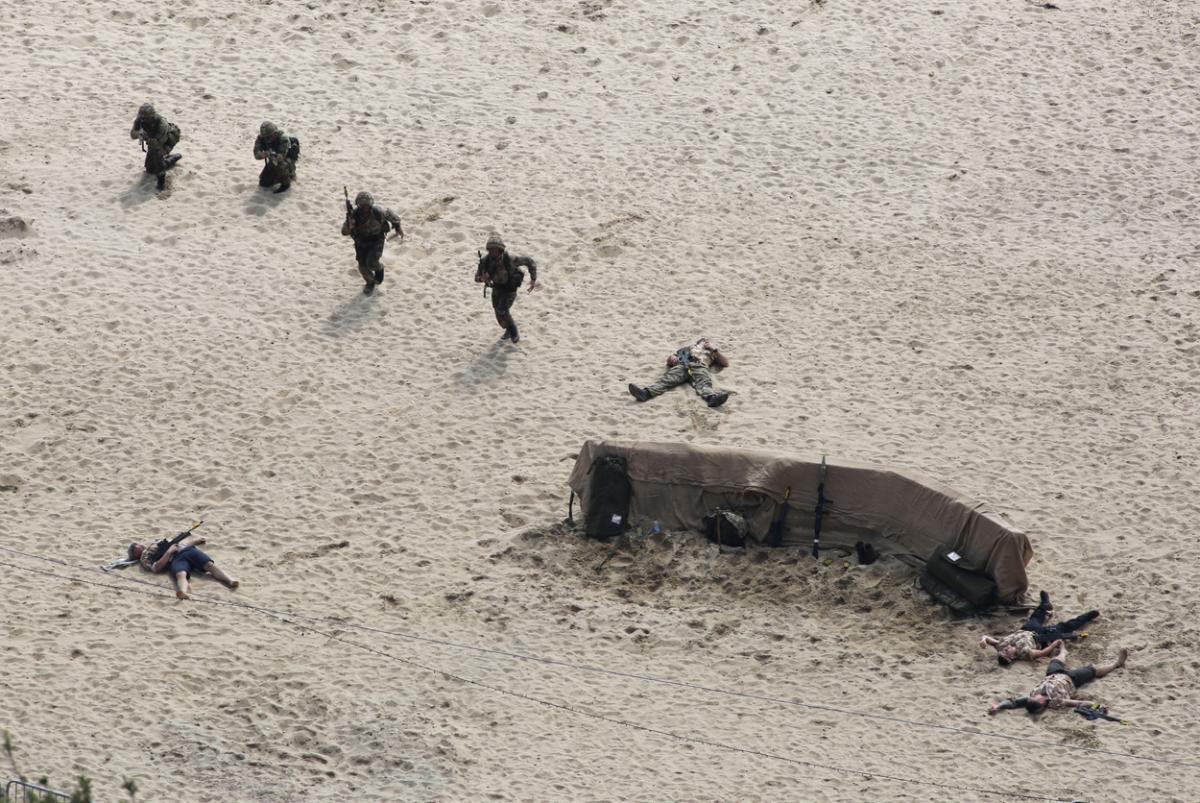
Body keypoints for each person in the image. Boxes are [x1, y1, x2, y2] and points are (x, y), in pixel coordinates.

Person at [987, 642, 1128, 716]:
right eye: (1037, 698)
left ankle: (1063, 651)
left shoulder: (1030, 699)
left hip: (1052, 675)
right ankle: (1116, 664)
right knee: (1093, 670)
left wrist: (997, 707)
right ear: (1042, 703)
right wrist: (1098, 706)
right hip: (1071, 680)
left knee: (1055, 660)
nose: (1035, 695)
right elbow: (1080, 702)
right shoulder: (1056, 702)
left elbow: (1012, 703)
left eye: (1034, 696)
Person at [980, 590, 1100, 665]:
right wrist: (1054, 644)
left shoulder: (1002, 645)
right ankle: (1087, 616)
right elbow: (1042, 652)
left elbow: (987, 637)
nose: (1005, 649)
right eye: (1006, 652)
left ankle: (1045, 604)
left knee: (1036, 617)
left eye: (1004, 651)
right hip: (1040, 638)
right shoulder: (1026, 653)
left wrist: (983, 641)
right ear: (1011, 658)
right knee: (1066, 627)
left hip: (1027, 629)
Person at [129, 533, 238, 600]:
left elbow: (178, 544)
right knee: (181, 574)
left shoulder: (155, 543)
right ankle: (183, 592)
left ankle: (230, 580)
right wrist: (168, 553)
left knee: (210, 565)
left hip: (186, 550)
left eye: (137, 546)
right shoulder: (145, 558)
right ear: (136, 555)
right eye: (136, 549)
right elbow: (156, 568)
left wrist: (195, 541)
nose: (139, 547)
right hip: (175, 559)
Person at [628, 337, 730, 408]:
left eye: (706, 341)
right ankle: (646, 393)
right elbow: (670, 360)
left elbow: (725, 363)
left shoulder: (712, 352)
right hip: (683, 364)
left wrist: (713, 349)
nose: (703, 342)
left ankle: (712, 398)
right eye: (701, 341)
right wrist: (672, 358)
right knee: (667, 380)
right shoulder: (686, 349)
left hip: (700, 365)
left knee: (704, 383)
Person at [475, 234, 538, 343]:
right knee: (498, 313)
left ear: (500, 250)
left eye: (495, 250)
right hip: (496, 288)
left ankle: (513, 331)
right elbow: (476, 277)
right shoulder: (485, 262)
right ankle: (508, 329)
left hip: (510, 288)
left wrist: (533, 279)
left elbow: (529, 261)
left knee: (502, 309)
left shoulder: (509, 259)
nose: (493, 252)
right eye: (491, 250)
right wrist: (482, 278)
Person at [341, 191, 403, 294]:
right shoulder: (354, 216)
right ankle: (370, 283)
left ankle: (379, 269)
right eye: (362, 204)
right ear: (358, 205)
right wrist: (349, 225)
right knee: (362, 267)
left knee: (371, 263)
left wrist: (397, 227)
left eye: (367, 204)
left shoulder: (378, 212)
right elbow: (344, 232)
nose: (365, 207)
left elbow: (393, 217)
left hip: (376, 240)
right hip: (360, 243)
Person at [129, 103, 181, 192]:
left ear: (152, 117)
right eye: (142, 117)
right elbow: (133, 135)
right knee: (150, 169)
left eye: (146, 118)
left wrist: (147, 138)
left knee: (157, 158)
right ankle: (172, 159)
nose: (144, 120)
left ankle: (161, 181)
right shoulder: (140, 120)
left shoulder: (161, 124)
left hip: (167, 141)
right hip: (153, 141)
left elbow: (157, 143)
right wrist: (140, 134)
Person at [253, 121, 295, 194]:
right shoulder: (261, 139)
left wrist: (271, 155)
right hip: (273, 161)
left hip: (286, 161)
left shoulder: (283, 139)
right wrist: (263, 154)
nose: (268, 139)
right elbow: (256, 154)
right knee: (263, 183)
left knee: (280, 165)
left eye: (270, 136)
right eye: (266, 137)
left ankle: (286, 182)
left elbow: (281, 157)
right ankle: (278, 177)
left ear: (275, 133)